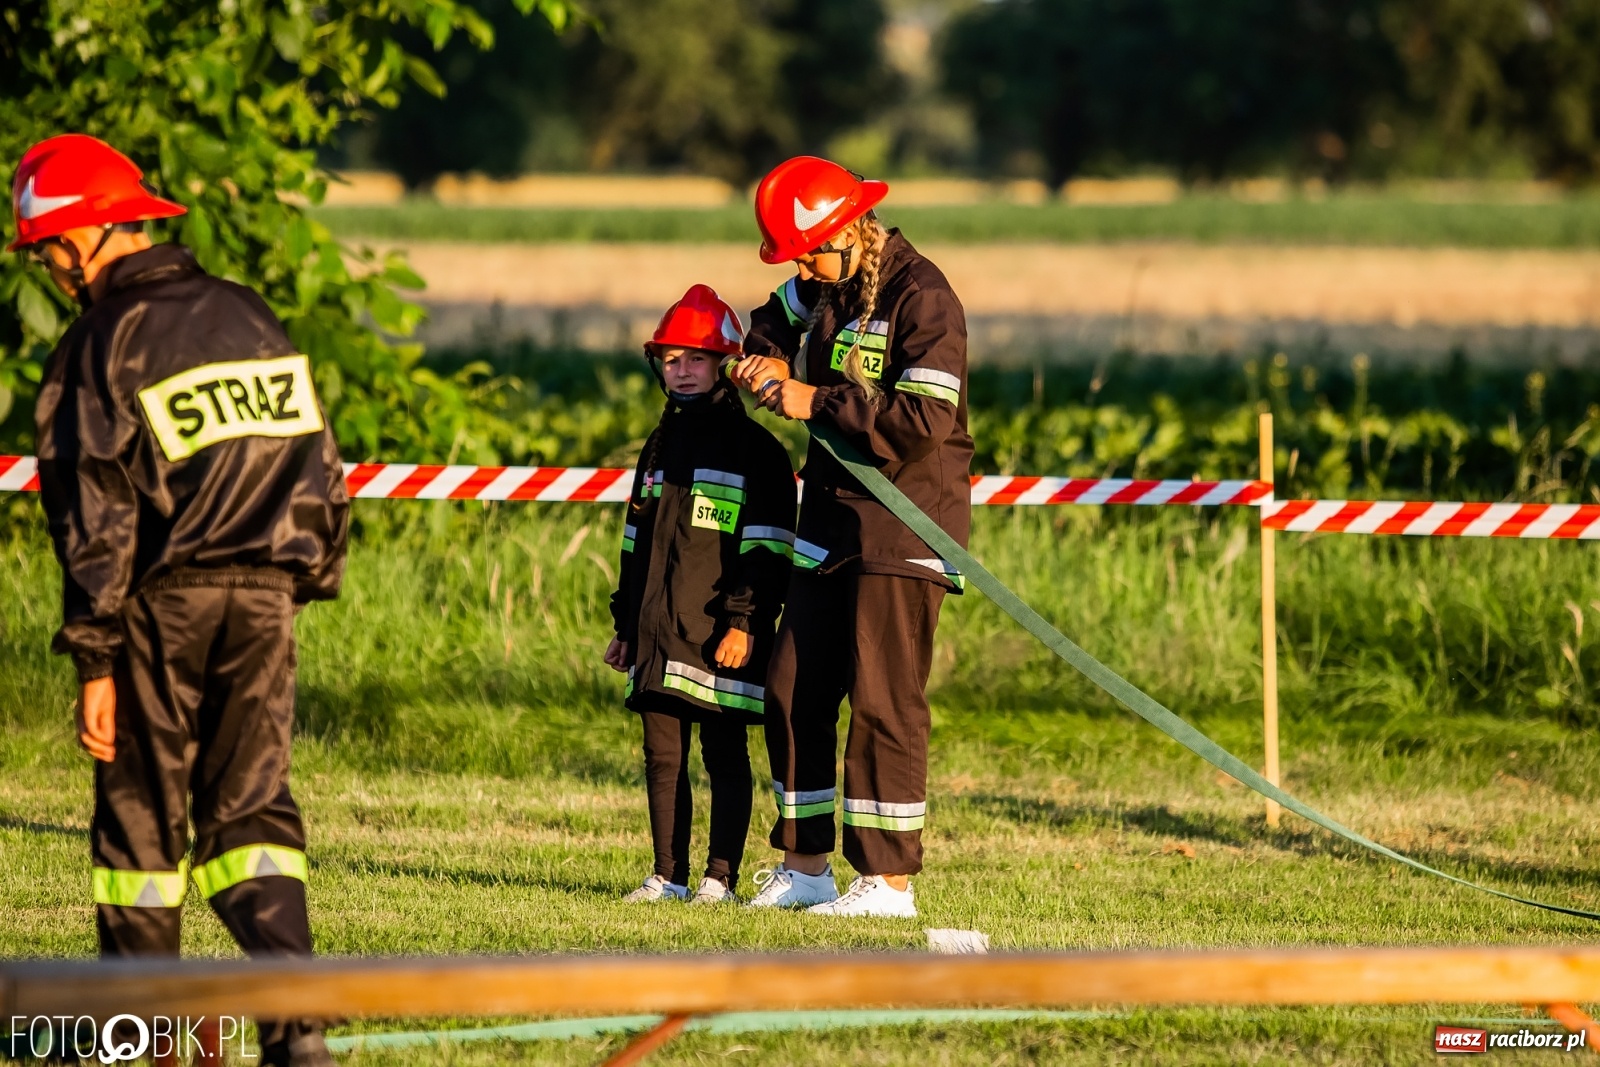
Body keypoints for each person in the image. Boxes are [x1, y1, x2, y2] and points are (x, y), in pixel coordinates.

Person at [15, 134, 347, 1066]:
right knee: (252, 818)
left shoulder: (100, 341)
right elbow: (320, 466)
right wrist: (298, 580)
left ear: (92, 235)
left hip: (165, 601)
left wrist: (96, 657)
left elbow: (95, 511)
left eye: (48, 248)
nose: (47, 268)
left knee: (139, 825)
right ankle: (297, 1034)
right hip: (269, 597)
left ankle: (137, 1044)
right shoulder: (248, 316)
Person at [730, 156, 973, 918]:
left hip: (903, 525)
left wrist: (814, 399)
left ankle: (886, 882)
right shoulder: (826, 281)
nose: (802, 266)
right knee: (792, 686)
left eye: (808, 249)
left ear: (849, 227)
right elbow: (774, 313)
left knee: (883, 701)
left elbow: (924, 422)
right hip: (827, 523)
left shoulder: (923, 296)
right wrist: (767, 354)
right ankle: (806, 868)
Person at [605, 284, 798, 905]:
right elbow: (636, 544)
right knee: (661, 756)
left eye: (695, 359)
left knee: (723, 754)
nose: (681, 372)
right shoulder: (658, 449)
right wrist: (626, 624)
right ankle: (667, 876)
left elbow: (768, 549)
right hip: (658, 630)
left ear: (723, 366)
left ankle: (720, 877)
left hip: (722, 636)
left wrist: (744, 622)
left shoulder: (758, 453)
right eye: (670, 360)